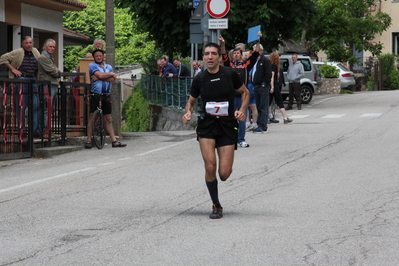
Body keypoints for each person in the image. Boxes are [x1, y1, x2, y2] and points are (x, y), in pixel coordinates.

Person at [182, 42, 249, 219]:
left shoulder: (230, 73)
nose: (210, 57)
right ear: (203, 58)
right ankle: (216, 205)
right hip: (207, 125)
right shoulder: (199, 78)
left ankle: (222, 178)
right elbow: (191, 100)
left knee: (224, 174)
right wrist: (188, 112)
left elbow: (245, 92)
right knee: (210, 165)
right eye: (206, 54)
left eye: (213, 53)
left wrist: (241, 111)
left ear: (220, 57)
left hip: (227, 125)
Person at [219, 35, 260, 148]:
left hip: (242, 95)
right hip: (231, 95)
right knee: (230, 118)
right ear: (232, 56)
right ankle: (231, 138)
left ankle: (241, 139)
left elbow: (255, 54)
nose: (236, 55)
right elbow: (223, 55)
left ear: (241, 55)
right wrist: (223, 43)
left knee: (242, 117)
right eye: (234, 54)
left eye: (238, 53)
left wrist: (257, 41)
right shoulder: (229, 65)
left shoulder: (246, 65)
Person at [0, 36, 41, 136]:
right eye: (26, 43)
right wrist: (13, 69)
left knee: (36, 104)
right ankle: (22, 129)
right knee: (22, 105)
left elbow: (40, 63)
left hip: (33, 79)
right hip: (22, 79)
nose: (29, 45)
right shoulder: (18, 52)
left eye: (31, 42)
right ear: (23, 44)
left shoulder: (35, 51)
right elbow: (3, 58)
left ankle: (34, 130)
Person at [85, 49, 126, 149]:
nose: (99, 57)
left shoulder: (109, 67)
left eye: (100, 56)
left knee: (108, 118)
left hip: (106, 95)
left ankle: (114, 140)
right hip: (96, 94)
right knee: (92, 117)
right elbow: (101, 75)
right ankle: (89, 139)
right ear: (94, 57)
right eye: (97, 56)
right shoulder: (92, 66)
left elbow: (112, 79)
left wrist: (101, 77)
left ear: (103, 56)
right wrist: (110, 74)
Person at [37, 38, 61, 125]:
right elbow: (53, 72)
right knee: (47, 108)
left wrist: (57, 72)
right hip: (47, 84)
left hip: (52, 84)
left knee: (51, 108)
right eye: (50, 46)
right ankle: (45, 130)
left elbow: (54, 71)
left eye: (53, 47)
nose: (52, 48)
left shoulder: (50, 57)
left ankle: (47, 129)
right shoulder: (43, 57)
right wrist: (57, 72)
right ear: (45, 47)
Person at [251, 43, 272, 133]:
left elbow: (268, 73)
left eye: (256, 50)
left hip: (262, 86)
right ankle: (259, 124)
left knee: (263, 106)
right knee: (259, 106)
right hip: (256, 86)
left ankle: (263, 126)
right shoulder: (255, 60)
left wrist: (264, 83)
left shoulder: (264, 60)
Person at [268, 52, 293, 124]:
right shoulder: (274, 66)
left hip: (271, 86)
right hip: (274, 86)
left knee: (269, 102)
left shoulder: (270, 65)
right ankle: (285, 117)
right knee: (279, 101)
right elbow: (272, 76)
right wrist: (272, 86)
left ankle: (269, 117)